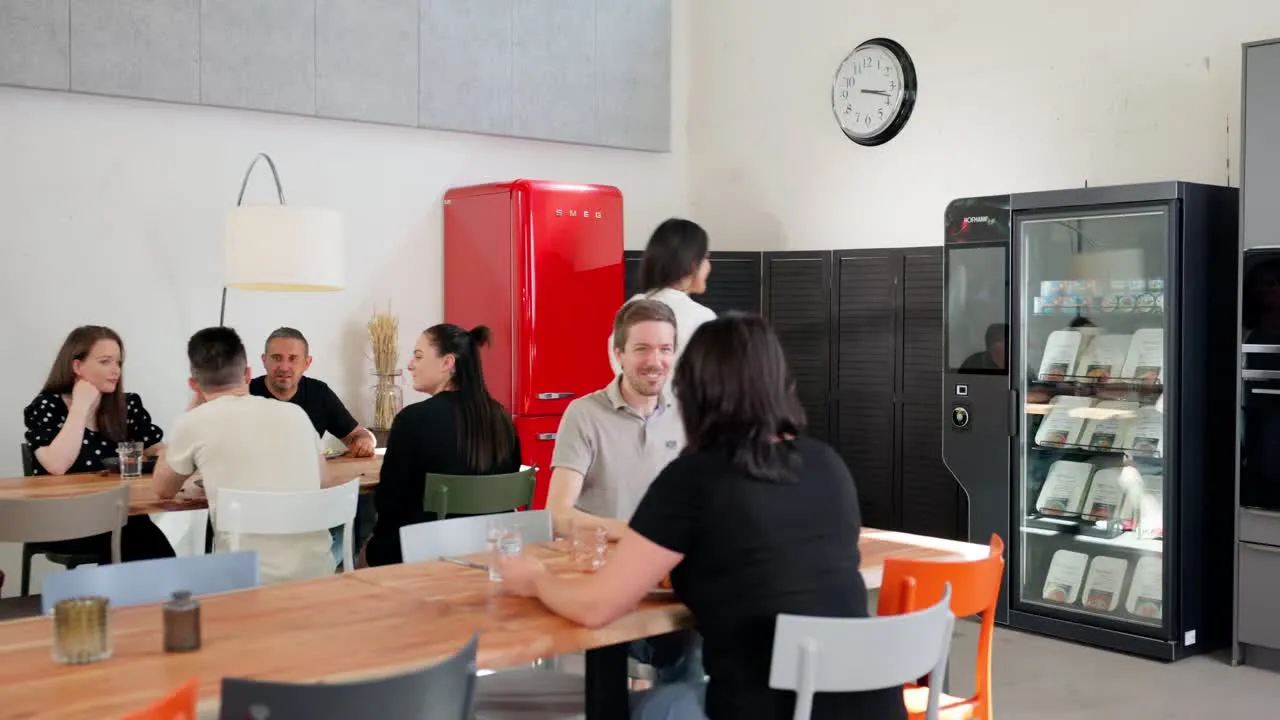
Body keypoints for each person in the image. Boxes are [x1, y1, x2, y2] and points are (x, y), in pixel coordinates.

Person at [500, 314, 908, 720]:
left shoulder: (695, 478)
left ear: (695, 389)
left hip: (765, 709)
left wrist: (536, 579)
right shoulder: (827, 463)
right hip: (873, 704)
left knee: (625, 710)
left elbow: (596, 608)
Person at [549, 299, 695, 684]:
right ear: (618, 354)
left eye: (665, 349)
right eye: (642, 348)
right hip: (604, 582)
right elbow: (558, 516)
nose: (655, 361)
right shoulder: (583, 414)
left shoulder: (686, 415)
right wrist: (633, 532)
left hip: (670, 581)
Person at [153, 327, 341, 584]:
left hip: (242, 580)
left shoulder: (193, 422)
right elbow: (326, 485)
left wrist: (191, 409)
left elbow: (163, 489)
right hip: (316, 572)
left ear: (193, 384)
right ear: (248, 374)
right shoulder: (296, 414)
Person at [361, 324, 523, 567]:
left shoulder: (413, 419)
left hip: (424, 553)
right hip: (489, 552)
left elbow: (389, 503)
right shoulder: (501, 417)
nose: (410, 365)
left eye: (418, 356)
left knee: (361, 546)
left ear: (447, 362)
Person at [22, 326, 176, 561]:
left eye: (119, 363)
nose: (116, 371)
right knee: (136, 538)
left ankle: (128, 595)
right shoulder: (48, 406)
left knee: (137, 534)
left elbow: (158, 450)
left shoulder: (127, 405)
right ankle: (135, 596)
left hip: (122, 515)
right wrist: (80, 407)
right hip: (63, 521)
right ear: (77, 366)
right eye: (105, 362)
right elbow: (56, 465)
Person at [608, 219, 716, 376]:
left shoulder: (629, 309)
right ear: (692, 263)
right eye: (706, 257)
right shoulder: (701, 318)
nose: (709, 265)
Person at [249, 327, 375, 457]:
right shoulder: (245, 392)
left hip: (307, 475)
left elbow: (356, 434)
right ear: (264, 360)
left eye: (293, 359)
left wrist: (364, 441)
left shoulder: (319, 393)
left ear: (307, 363)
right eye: (276, 358)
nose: (284, 367)